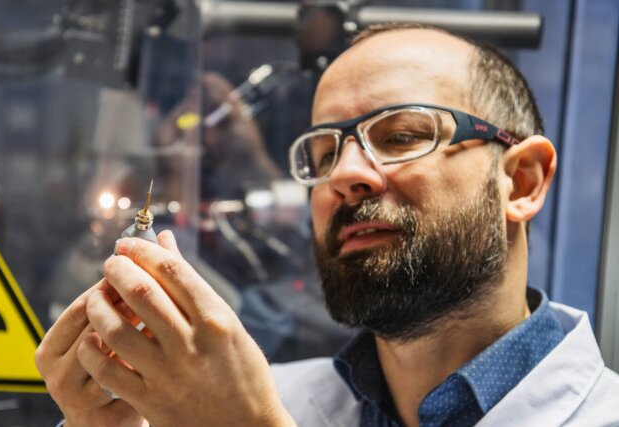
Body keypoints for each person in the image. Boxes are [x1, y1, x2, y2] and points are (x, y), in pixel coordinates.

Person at [35, 23, 619, 427]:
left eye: (402, 136)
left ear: (520, 182)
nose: (345, 175)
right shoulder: (262, 398)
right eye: (323, 154)